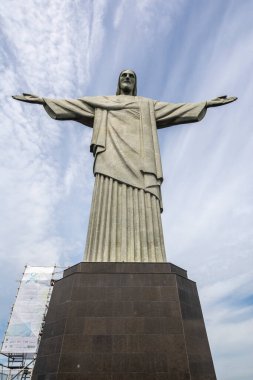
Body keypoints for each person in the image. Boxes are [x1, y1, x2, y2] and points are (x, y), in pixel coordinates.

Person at [13, 70, 237, 263]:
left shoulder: (146, 105)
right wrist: (43, 100)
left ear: (135, 82)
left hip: (141, 163)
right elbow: (74, 106)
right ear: (119, 81)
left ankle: (148, 257)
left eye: (131, 76)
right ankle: (102, 255)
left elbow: (176, 111)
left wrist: (205, 103)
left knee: (143, 207)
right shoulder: (104, 103)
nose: (127, 78)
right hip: (110, 159)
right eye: (124, 75)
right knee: (107, 203)